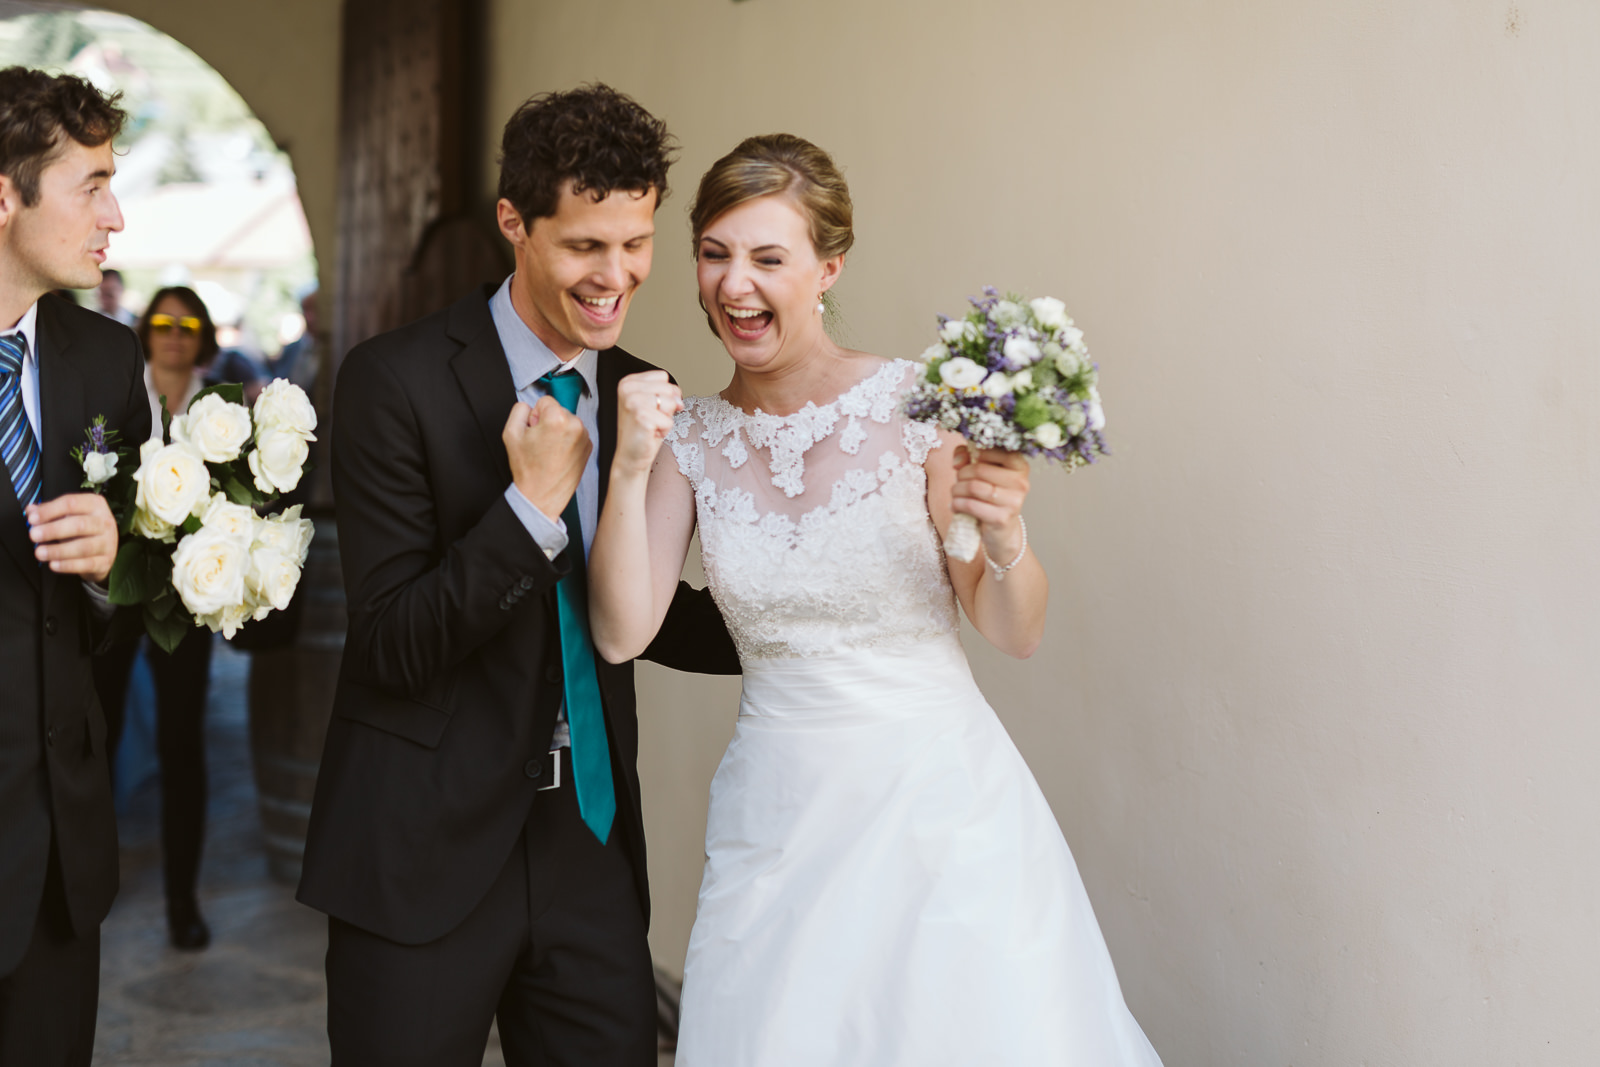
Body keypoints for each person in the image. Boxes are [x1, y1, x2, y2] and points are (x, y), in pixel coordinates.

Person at [587, 133, 1164, 1065]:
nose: (736, 286)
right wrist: (629, 469)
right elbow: (621, 632)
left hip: (939, 805)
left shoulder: (917, 406)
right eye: (715, 254)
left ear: (827, 268)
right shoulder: (690, 438)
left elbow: (1011, 628)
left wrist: (1010, 541)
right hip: (777, 819)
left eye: (769, 258)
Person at [297, 84, 738, 1067]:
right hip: (420, 842)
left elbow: (645, 616)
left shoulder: (640, 389)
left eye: (636, 241)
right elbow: (393, 639)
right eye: (586, 244)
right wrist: (529, 510)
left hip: (587, 838)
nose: (615, 276)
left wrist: (831, 609)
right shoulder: (392, 378)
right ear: (514, 222)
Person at [0, 66, 150, 1065]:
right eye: (90, 184)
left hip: (57, 854)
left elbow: (130, 596)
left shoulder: (106, 356)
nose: (117, 214)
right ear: (4, 194)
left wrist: (114, 563)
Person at [90, 286, 220, 951]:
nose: (175, 333)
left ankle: (181, 902)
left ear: (203, 335)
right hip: (117, 589)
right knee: (96, 735)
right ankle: (85, 890)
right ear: (145, 330)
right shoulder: (115, 391)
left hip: (188, 598)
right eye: (163, 322)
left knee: (182, 745)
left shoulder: (222, 406)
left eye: (187, 322)